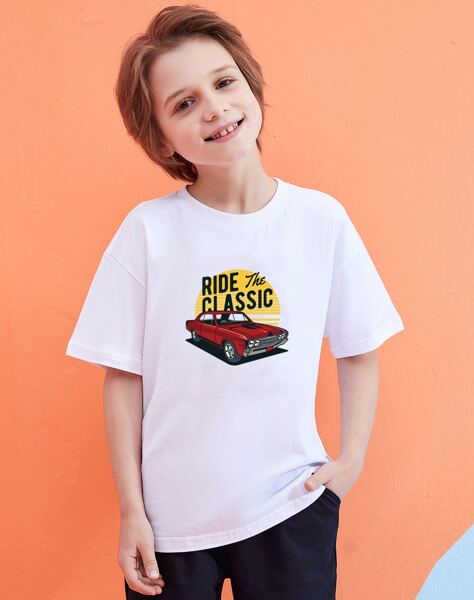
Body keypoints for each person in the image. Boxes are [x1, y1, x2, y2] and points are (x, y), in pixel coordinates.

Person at [65, 4, 405, 598]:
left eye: (224, 82)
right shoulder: (148, 231)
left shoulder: (319, 220)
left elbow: (359, 348)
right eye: (184, 103)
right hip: (170, 522)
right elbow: (122, 377)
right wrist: (132, 510)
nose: (214, 108)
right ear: (160, 137)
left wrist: (348, 463)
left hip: (290, 504)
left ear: (250, 83)